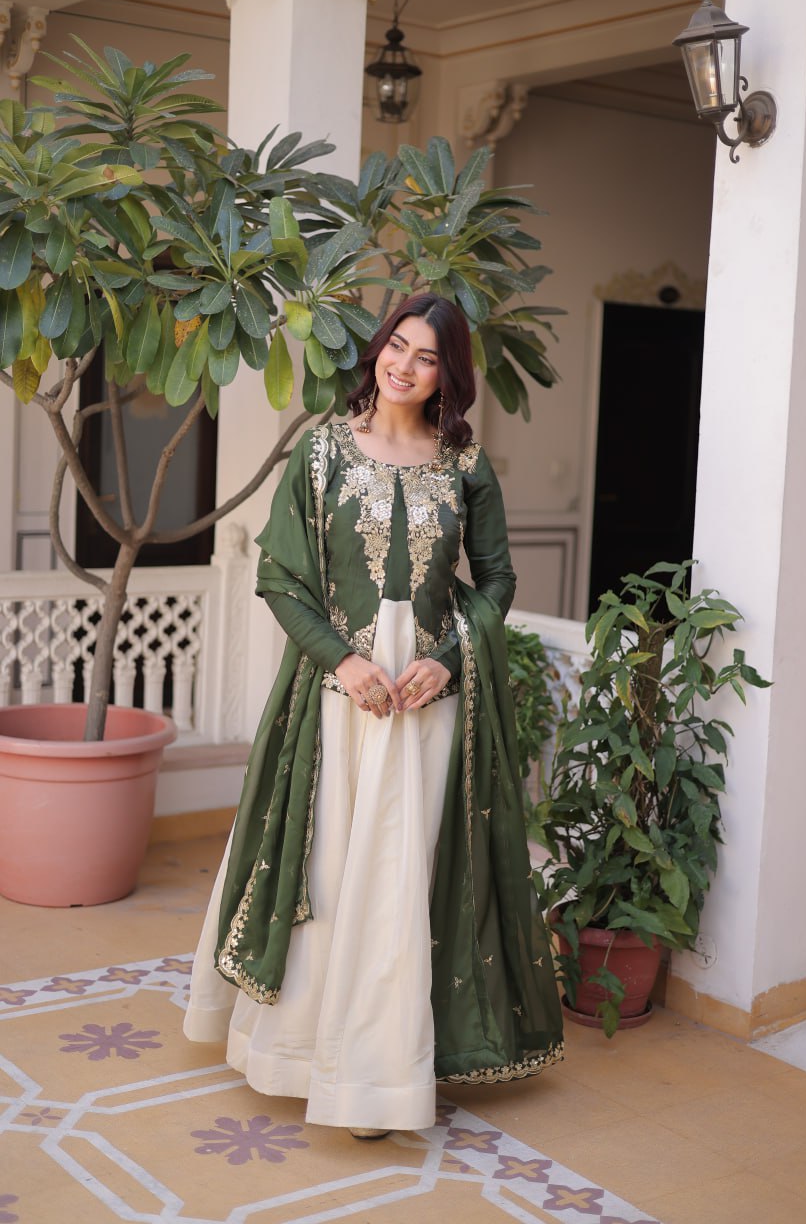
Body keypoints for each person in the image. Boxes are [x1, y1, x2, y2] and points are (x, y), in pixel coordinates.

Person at [183, 293, 564, 1139]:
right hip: (337, 700)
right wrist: (344, 661)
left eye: (426, 356)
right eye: (397, 345)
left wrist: (448, 657)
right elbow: (281, 578)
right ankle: (299, 1052)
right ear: (377, 349)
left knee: (400, 880)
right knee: (326, 874)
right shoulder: (321, 452)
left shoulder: (465, 466)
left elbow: (496, 580)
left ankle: (377, 1078)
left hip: (427, 706)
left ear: (447, 375)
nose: (404, 365)